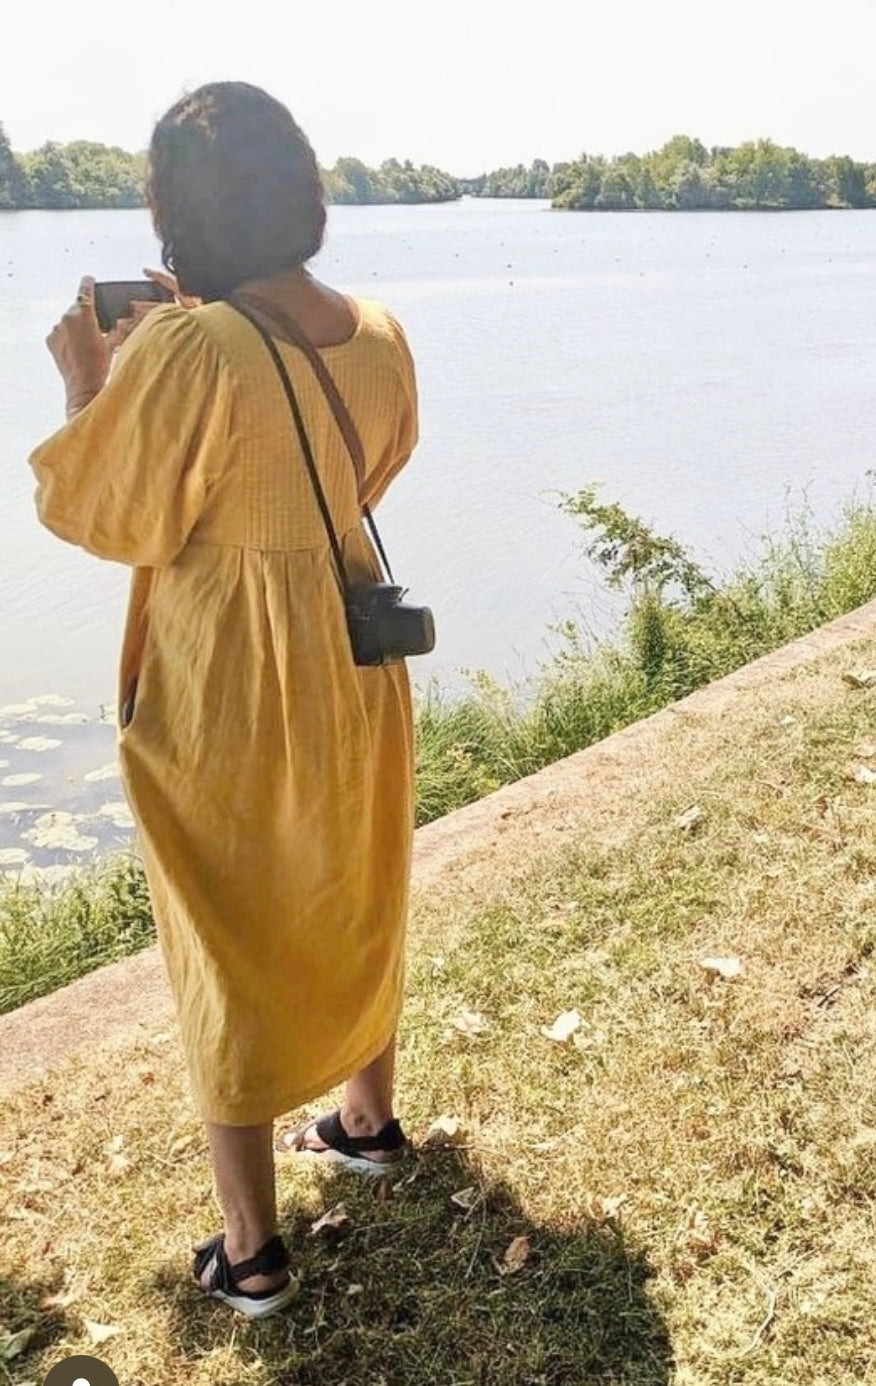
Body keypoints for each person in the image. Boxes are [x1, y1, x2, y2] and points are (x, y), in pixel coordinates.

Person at [29, 82, 420, 1318]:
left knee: (225, 920)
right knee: (355, 872)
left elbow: (98, 509)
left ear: (177, 214)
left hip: (234, 669)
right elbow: (367, 471)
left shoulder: (189, 347)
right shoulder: (379, 329)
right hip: (355, 647)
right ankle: (364, 1119)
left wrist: (89, 373)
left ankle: (251, 1251)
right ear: (302, 189)